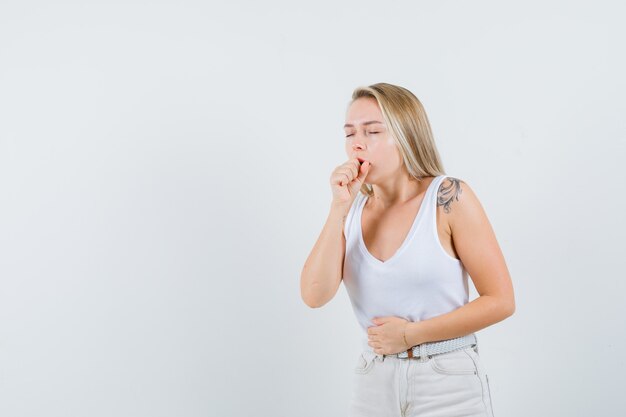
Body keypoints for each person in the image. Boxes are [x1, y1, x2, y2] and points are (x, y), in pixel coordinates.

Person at [300, 82, 515, 417]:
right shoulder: (351, 209)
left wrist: (410, 335)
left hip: (446, 380)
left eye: (372, 131)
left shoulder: (449, 198)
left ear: (405, 135)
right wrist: (338, 209)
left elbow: (501, 301)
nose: (357, 142)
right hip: (374, 380)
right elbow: (314, 295)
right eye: (349, 133)